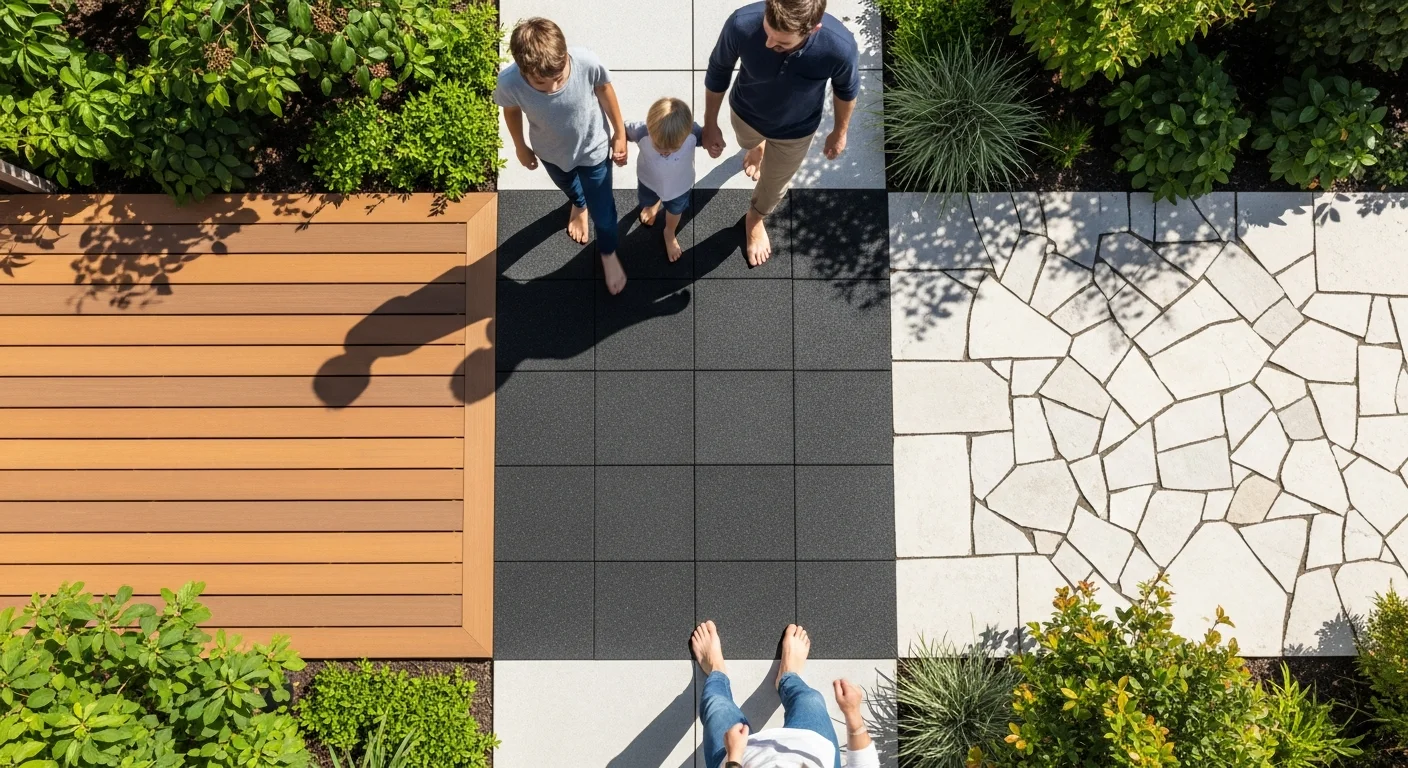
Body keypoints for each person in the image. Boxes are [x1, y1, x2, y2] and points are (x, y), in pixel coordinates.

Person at [700, 0, 859, 267]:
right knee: (746, 141)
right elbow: (718, 69)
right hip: (745, 112)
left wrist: (840, 132)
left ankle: (754, 219)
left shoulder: (839, 47)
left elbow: (846, 90)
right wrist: (710, 123)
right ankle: (755, 147)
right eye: (767, 31)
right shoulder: (741, 23)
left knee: (774, 186)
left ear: (814, 29)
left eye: (780, 43)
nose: (768, 43)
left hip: (796, 130)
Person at [494, 17, 631, 294]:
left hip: (593, 150)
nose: (554, 88)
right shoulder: (510, 83)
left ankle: (607, 253)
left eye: (559, 78)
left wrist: (620, 132)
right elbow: (510, 110)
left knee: (605, 211)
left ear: (565, 55)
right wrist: (520, 146)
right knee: (568, 185)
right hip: (551, 152)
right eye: (543, 84)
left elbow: (604, 88)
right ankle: (579, 205)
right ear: (523, 71)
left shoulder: (585, 62)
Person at [692, 621, 880, 768]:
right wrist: (852, 713)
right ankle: (787, 676)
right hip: (811, 745)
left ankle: (716, 670)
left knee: (716, 705)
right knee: (809, 700)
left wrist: (733, 758)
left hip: (740, 755)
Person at [625, 97, 709, 263]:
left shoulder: (692, 132)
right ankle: (654, 205)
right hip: (649, 181)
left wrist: (714, 144)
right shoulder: (641, 131)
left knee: (675, 211)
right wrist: (619, 144)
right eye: (659, 147)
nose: (665, 153)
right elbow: (622, 129)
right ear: (649, 128)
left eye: (673, 149)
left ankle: (669, 232)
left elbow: (707, 137)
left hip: (679, 186)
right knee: (648, 200)